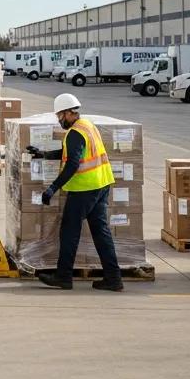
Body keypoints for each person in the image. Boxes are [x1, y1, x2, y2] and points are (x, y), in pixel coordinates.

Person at [26, 92, 123, 292]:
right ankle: (114, 278)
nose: (59, 120)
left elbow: (72, 163)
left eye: (60, 116)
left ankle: (63, 277)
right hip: (101, 184)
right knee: (101, 233)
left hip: (84, 189)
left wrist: (53, 188)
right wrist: (45, 154)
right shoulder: (88, 126)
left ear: (69, 113)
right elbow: (71, 153)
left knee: (69, 232)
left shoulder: (74, 133)